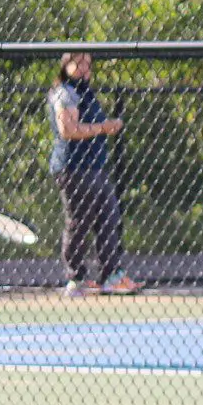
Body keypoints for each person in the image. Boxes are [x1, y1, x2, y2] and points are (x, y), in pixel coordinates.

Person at [48, 51, 140, 296]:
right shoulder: (66, 92)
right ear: (65, 65)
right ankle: (75, 279)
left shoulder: (85, 92)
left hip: (95, 166)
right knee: (80, 222)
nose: (84, 68)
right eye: (78, 63)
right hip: (74, 168)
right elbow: (67, 129)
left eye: (88, 63)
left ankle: (111, 275)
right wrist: (104, 128)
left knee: (109, 218)